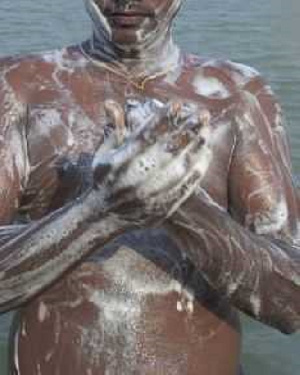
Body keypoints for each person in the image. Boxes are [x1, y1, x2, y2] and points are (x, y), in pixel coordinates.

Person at [0, 0, 299, 374]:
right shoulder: (18, 86)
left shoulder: (239, 95)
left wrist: (177, 202)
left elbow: (290, 303)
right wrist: (100, 211)